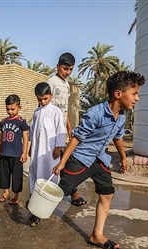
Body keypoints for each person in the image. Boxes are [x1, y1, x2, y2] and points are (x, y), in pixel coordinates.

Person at [52, 71, 145, 249]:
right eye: (134, 94)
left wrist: (124, 158)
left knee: (107, 193)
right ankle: (38, 211)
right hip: (80, 158)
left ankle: (97, 235)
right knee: (59, 190)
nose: (137, 98)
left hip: (100, 159)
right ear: (118, 94)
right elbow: (76, 138)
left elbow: (118, 138)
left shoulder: (122, 117)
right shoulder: (95, 113)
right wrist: (63, 162)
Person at [48, 52, 87, 206]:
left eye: (71, 69)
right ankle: (43, 193)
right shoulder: (51, 82)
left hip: (62, 131)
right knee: (50, 160)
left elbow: (65, 110)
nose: (68, 72)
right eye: (65, 68)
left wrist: (69, 127)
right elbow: (44, 105)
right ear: (58, 66)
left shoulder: (66, 85)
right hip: (51, 130)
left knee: (66, 162)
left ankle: (73, 193)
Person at [27, 82, 65, 226]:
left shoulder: (56, 111)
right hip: (37, 150)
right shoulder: (36, 112)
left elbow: (60, 130)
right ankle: (34, 204)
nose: (42, 102)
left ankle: (47, 204)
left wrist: (58, 147)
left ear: (51, 96)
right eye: (40, 99)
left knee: (49, 176)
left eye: (45, 99)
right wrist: (31, 146)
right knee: (35, 174)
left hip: (50, 152)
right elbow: (33, 132)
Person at [0, 94, 29, 204]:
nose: (10, 111)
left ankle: (16, 195)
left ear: (19, 107)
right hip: (5, 153)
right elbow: (1, 137)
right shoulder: (3, 122)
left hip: (16, 154)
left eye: (12, 109)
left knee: (17, 176)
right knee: (4, 174)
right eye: (8, 109)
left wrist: (24, 153)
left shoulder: (21, 122)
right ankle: (6, 192)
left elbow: (25, 138)